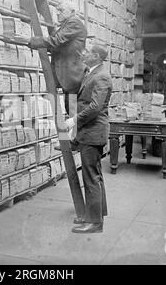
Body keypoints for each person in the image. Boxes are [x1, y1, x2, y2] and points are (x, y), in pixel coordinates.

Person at [64, 43, 112, 234]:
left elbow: (95, 107)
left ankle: (95, 223)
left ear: (98, 58)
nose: (85, 54)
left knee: (91, 177)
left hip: (93, 133)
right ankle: (95, 215)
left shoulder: (101, 76)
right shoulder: (92, 72)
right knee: (94, 176)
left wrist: (73, 120)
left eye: (89, 53)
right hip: (89, 132)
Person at [27, 2, 88, 114]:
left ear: (72, 12)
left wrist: (31, 41)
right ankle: (73, 130)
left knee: (74, 111)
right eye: (57, 11)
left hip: (72, 75)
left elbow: (56, 41)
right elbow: (60, 46)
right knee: (72, 110)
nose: (58, 13)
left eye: (61, 10)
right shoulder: (66, 24)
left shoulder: (74, 23)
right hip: (69, 75)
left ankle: (74, 130)